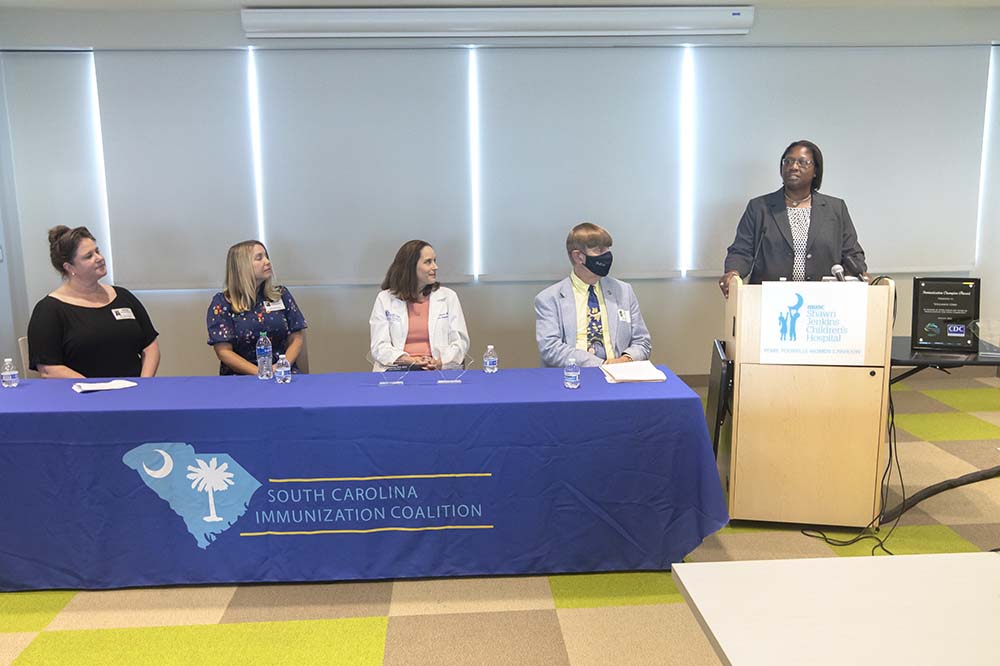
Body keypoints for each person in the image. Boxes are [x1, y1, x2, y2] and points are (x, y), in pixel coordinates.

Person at [720, 140, 868, 297]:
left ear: (815, 171)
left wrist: (860, 273)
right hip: (769, 300)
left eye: (803, 162)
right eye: (788, 161)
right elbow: (742, 251)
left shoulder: (835, 209)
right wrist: (733, 273)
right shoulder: (759, 207)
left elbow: (852, 253)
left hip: (822, 303)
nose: (793, 167)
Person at [27, 225, 160, 378]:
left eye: (97, 251)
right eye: (88, 256)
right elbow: (49, 369)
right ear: (70, 267)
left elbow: (150, 346)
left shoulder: (123, 296)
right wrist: (95, 389)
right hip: (83, 397)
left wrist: (145, 384)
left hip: (135, 393)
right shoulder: (49, 310)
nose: (99, 258)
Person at [535, 222, 651, 368]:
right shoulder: (549, 298)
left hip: (620, 375)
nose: (607, 256)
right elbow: (550, 348)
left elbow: (642, 341)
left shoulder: (624, 291)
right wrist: (602, 364)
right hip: (573, 376)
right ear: (578, 257)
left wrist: (626, 359)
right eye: (599, 250)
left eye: (608, 249)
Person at [206, 240, 307, 375]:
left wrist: (282, 366)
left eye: (266, 256)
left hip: (281, 372)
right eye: (259, 258)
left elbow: (297, 337)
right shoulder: (222, 303)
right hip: (241, 377)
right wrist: (261, 372)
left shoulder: (280, 295)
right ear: (242, 266)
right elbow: (224, 351)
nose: (267, 262)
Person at [369, 240, 470, 371]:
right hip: (398, 369)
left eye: (435, 261)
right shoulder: (385, 299)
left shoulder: (448, 297)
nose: (435, 267)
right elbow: (379, 346)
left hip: (437, 369)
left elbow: (460, 342)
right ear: (410, 266)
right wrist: (410, 360)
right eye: (428, 262)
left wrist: (439, 362)